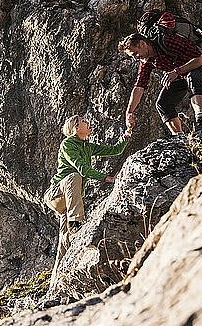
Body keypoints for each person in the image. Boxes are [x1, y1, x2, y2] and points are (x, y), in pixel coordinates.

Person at [44, 115, 131, 280]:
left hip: (69, 201)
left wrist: (127, 135)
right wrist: (109, 178)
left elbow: (114, 150)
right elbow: (82, 169)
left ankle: (57, 280)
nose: (88, 122)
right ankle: (76, 227)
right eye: (84, 121)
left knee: (64, 241)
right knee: (74, 176)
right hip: (56, 195)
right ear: (75, 128)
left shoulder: (87, 146)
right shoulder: (67, 144)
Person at [118, 29, 202, 135]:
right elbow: (139, 86)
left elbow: (201, 59)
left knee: (192, 77)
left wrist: (177, 71)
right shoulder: (147, 61)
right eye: (132, 56)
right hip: (180, 75)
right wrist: (129, 112)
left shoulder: (168, 42)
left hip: (201, 67)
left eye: (135, 53)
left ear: (142, 44)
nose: (135, 58)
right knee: (162, 103)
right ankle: (180, 138)